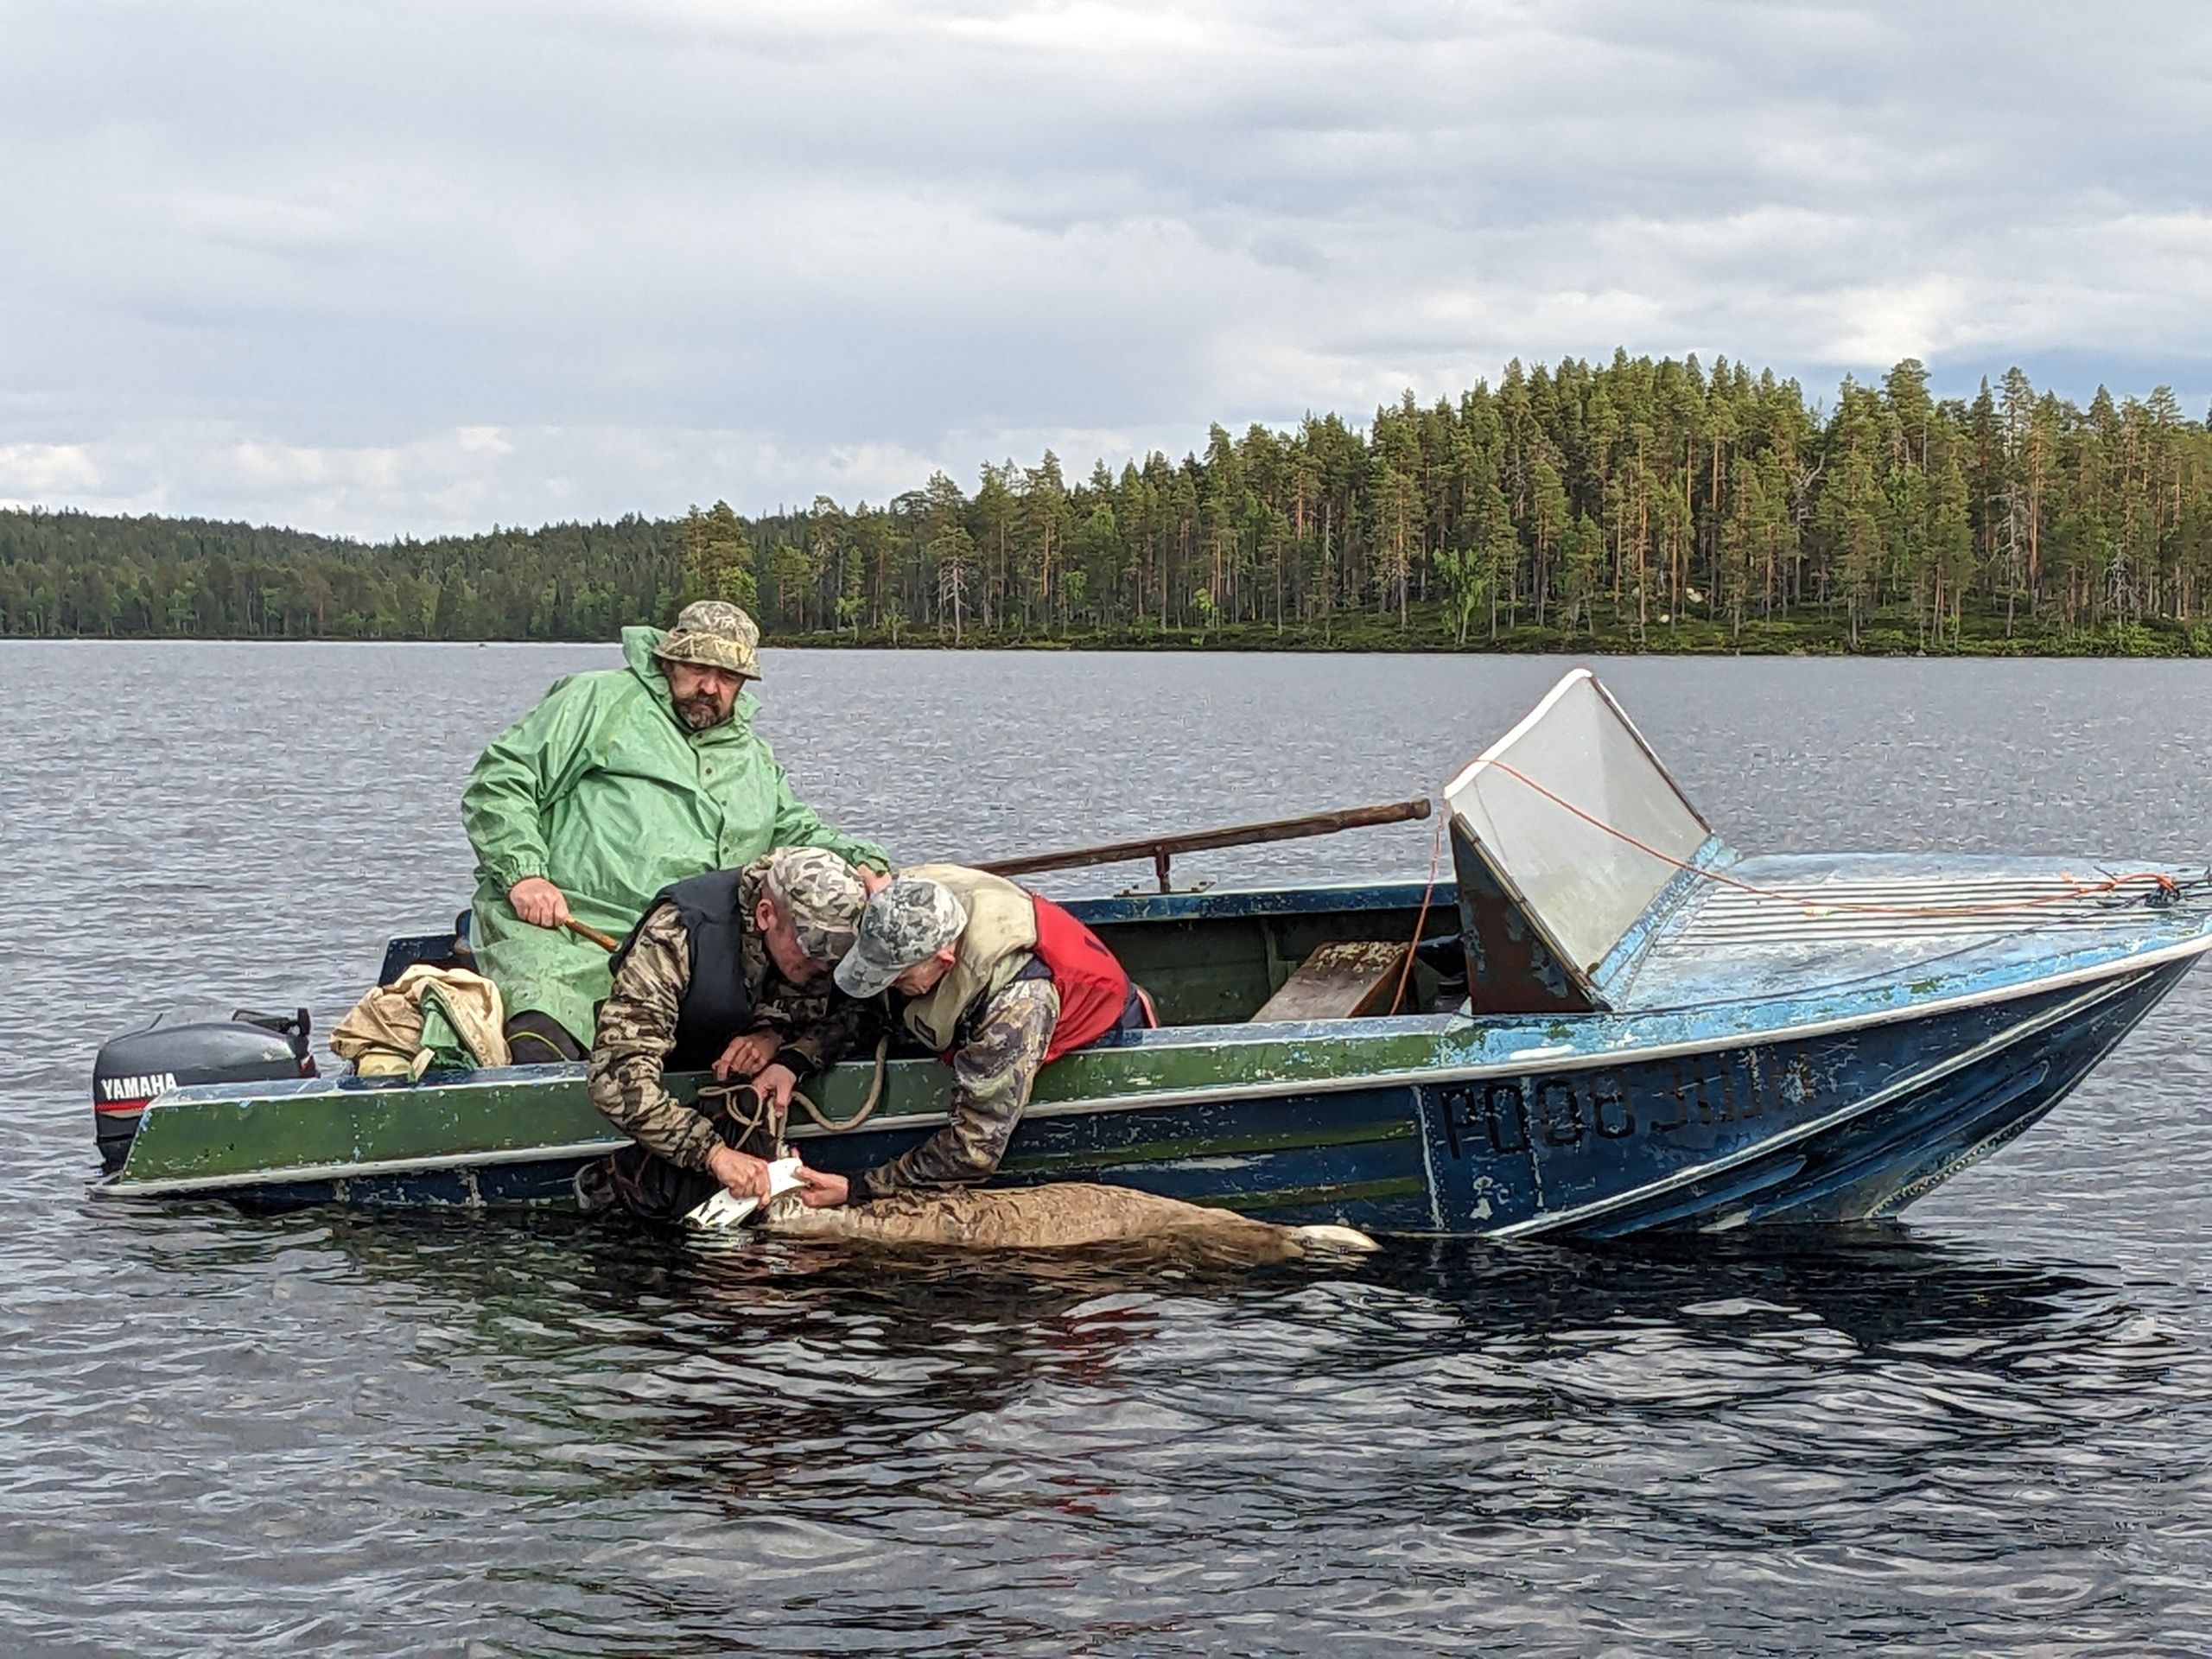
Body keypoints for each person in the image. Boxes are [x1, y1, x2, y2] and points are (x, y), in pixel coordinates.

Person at [460, 601, 887, 1060]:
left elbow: (791, 828)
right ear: (667, 659)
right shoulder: (598, 701)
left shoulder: (752, 754)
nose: (709, 687)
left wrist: (865, 861)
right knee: (544, 1030)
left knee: (810, 1018)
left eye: (727, 677)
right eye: (697, 667)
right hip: (571, 931)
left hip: (689, 947)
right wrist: (525, 874)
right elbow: (502, 780)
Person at [793, 863, 1150, 1208]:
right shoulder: (905, 902)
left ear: (944, 959)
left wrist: (859, 1187)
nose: (887, 987)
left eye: (898, 978)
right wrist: (793, 1060)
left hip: (1092, 1030)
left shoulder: (1014, 1007)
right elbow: (870, 1008)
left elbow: (974, 1151)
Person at [583, 846, 876, 1220]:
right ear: (766, 914)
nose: (824, 964)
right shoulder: (678, 934)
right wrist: (712, 1153)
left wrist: (786, 1051)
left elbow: (863, 1014)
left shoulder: (830, 938)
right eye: (811, 950)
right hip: (680, 1083)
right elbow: (616, 1077)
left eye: (838, 956)